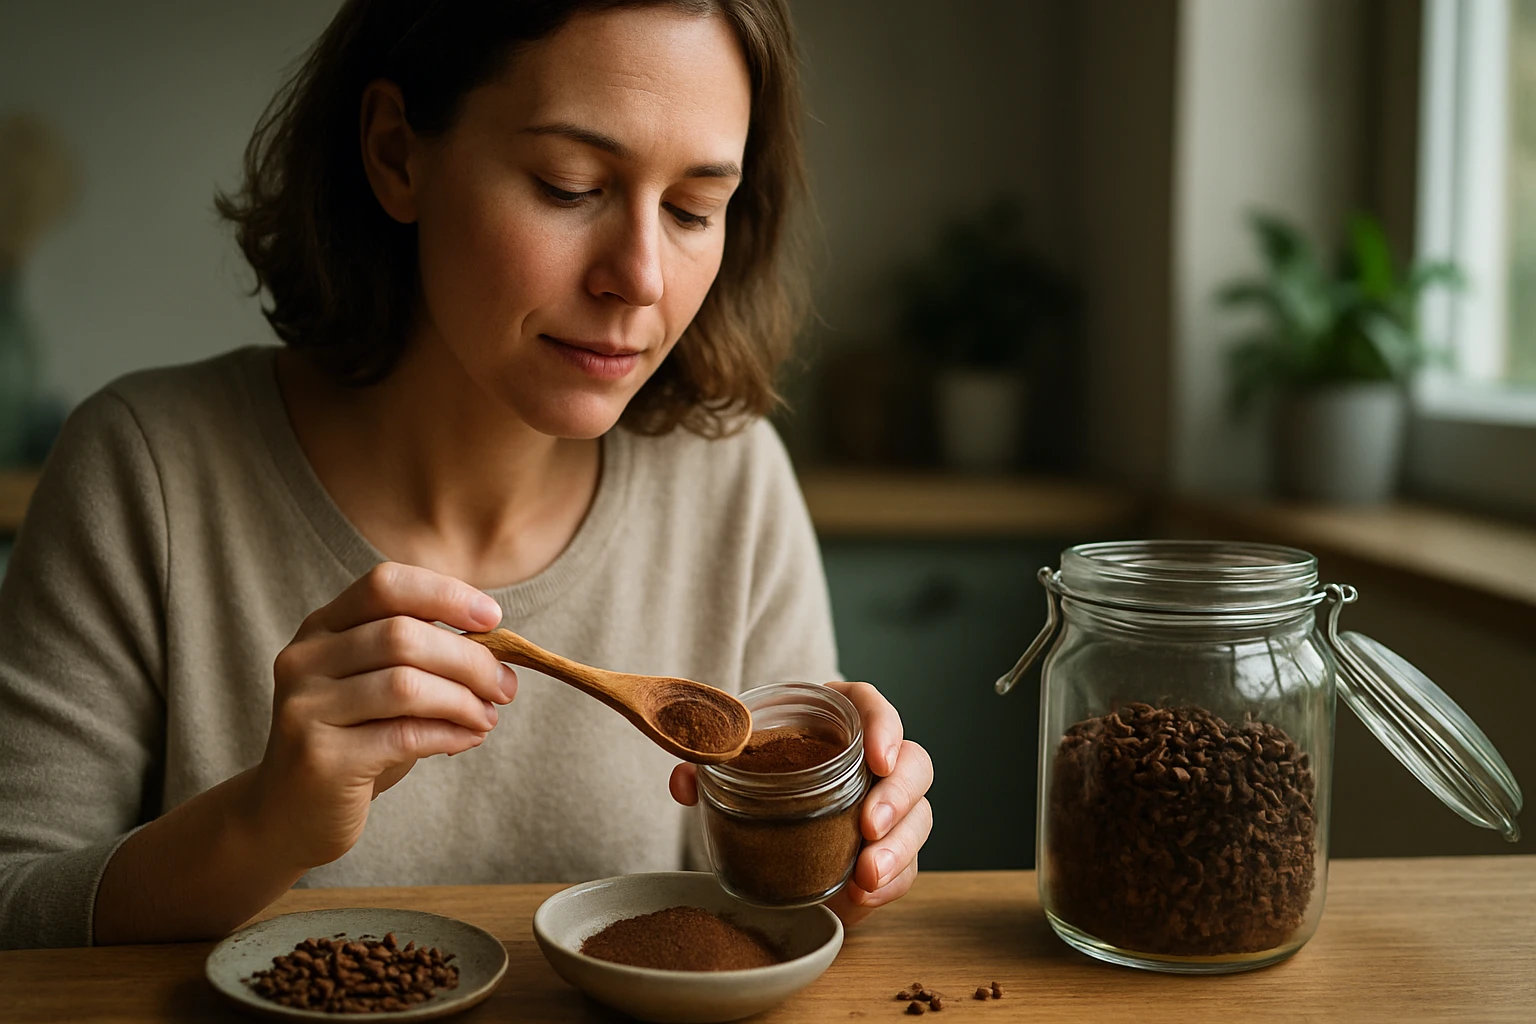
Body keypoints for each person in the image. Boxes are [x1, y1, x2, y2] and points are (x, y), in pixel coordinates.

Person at [0, 0, 934, 950]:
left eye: (694, 208)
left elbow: (766, 924)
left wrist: (848, 859)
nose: (641, 277)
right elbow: (13, 912)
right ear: (397, 153)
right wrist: (261, 826)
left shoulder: (732, 486)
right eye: (569, 186)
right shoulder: (143, 473)